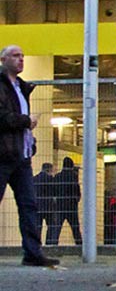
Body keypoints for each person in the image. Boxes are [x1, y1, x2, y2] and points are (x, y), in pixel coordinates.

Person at [0, 45, 57, 266]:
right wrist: (27, 121)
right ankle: (33, 253)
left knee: (29, 205)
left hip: (21, 156)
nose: (21, 59)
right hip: (3, 155)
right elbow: (3, 117)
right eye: (16, 56)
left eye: (22, 56)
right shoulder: (4, 87)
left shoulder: (21, 88)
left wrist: (29, 141)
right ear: (3, 60)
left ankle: (33, 253)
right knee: (27, 204)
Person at [50, 158, 81, 246]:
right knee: (75, 228)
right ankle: (79, 246)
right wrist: (76, 200)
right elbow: (77, 191)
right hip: (71, 207)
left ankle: (53, 246)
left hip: (60, 206)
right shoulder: (73, 176)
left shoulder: (57, 177)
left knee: (57, 228)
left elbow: (53, 191)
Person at [34, 162, 55, 245]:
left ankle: (37, 244)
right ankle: (49, 243)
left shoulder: (34, 179)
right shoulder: (51, 179)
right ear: (49, 170)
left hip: (37, 206)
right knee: (51, 226)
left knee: (38, 227)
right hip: (48, 206)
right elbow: (54, 192)